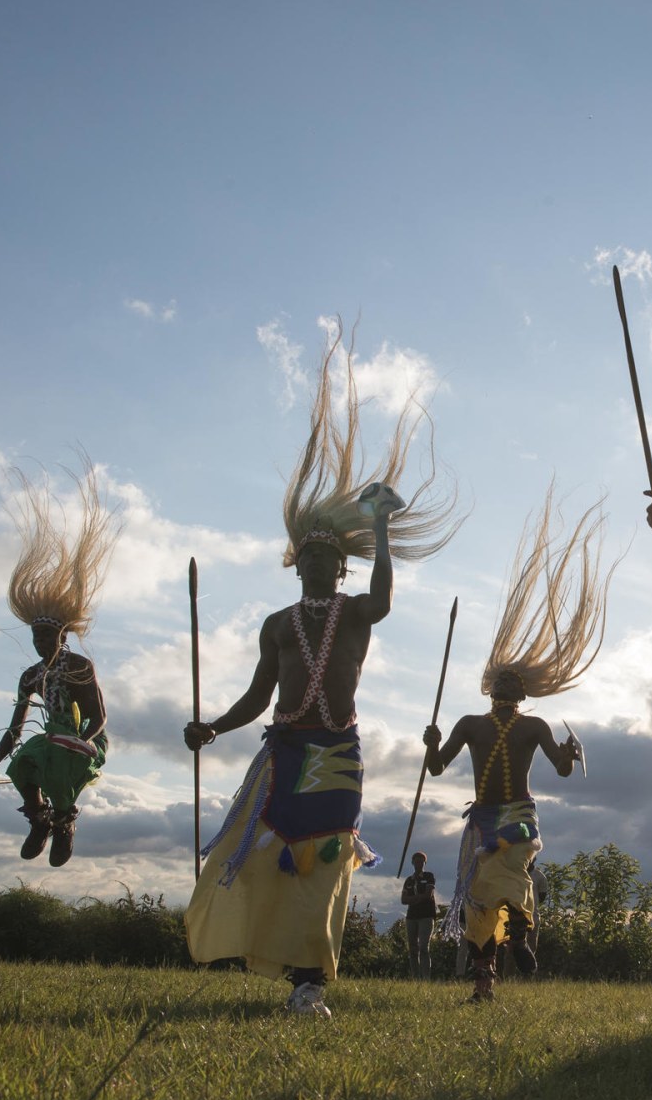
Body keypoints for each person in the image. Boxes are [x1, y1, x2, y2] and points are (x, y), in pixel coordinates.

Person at [183, 336, 459, 1017]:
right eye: (306, 555)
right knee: (268, 861)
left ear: (341, 568)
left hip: (338, 752)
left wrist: (382, 529)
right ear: (293, 563)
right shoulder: (277, 623)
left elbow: (387, 598)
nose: (314, 563)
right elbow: (257, 694)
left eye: (326, 557)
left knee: (326, 859)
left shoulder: (357, 612)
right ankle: (288, 968)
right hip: (284, 749)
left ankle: (311, 979)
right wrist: (214, 726)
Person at [426, 489, 604, 1003]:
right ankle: (490, 975)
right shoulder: (470, 724)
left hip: (515, 815)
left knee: (503, 883)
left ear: (519, 692)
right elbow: (437, 769)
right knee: (481, 902)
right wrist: (431, 744)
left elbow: (563, 773)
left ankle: (520, 938)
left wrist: (569, 754)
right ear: (494, 689)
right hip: (485, 817)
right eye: (500, 682)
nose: (505, 688)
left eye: (510, 683)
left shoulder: (531, 726)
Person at [0, 464, 119, 866]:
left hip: (85, 741)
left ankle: (64, 821)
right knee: (24, 765)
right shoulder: (31, 677)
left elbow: (99, 717)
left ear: (63, 637)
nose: (40, 644)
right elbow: (15, 730)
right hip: (53, 740)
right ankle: (40, 819)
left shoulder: (79, 666)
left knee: (54, 754)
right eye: (35, 638)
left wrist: (83, 742)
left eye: (46, 637)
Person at [400, 851, 439, 979]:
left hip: (426, 916)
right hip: (411, 916)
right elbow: (403, 900)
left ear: (424, 863)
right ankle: (415, 977)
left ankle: (426, 977)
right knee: (412, 948)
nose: (419, 864)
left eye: (421, 862)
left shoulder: (429, 876)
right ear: (412, 863)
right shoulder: (409, 880)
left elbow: (429, 895)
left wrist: (413, 899)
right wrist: (418, 898)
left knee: (423, 947)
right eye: (416, 861)